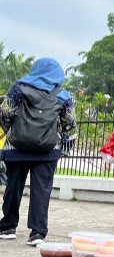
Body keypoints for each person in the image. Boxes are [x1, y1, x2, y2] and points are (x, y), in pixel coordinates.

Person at [0, 58, 77, 245]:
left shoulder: (19, 88)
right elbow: (69, 126)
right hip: (47, 150)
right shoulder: (63, 95)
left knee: (13, 186)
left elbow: (5, 114)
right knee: (41, 190)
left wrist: (10, 132)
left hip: (17, 148)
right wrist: (63, 146)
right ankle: (37, 233)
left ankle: (8, 227)